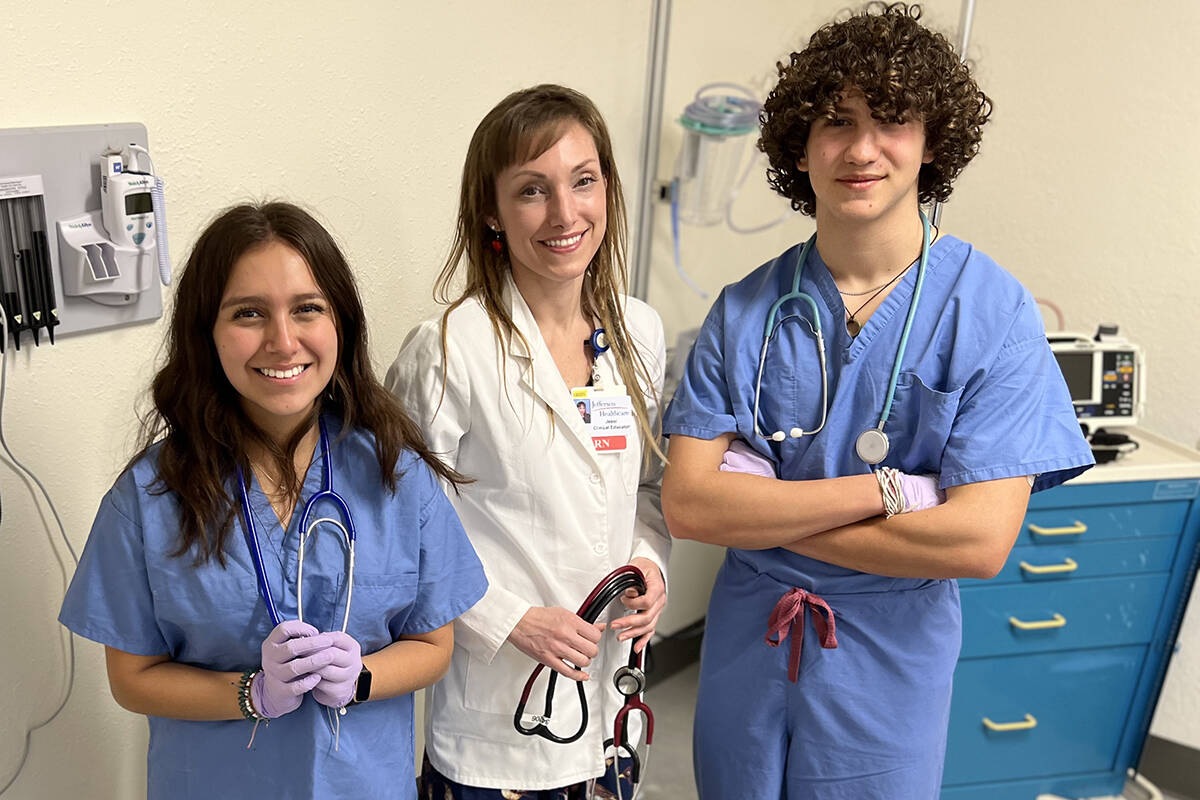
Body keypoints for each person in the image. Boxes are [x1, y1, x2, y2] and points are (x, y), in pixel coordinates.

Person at [659, 5, 1095, 798]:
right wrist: (889, 493)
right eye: (836, 121)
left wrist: (768, 514)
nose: (862, 149)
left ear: (933, 141)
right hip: (746, 659)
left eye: (892, 120)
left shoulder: (989, 311)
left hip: (888, 668)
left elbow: (977, 543)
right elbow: (690, 506)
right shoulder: (745, 310)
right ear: (801, 143)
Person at [58, 202, 487, 799]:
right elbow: (132, 679)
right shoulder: (152, 494)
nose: (283, 342)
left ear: (341, 324)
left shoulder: (395, 475)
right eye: (249, 313)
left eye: (307, 309)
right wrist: (249, 692)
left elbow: (433, 647)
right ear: (207, 333)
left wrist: (361, 676)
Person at [386, 84, 670, 799]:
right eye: (532, 191)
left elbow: (645, 491)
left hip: (611, 706)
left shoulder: (638, 331)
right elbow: (397, 523)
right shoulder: (450, 349)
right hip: (499, 720)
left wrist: (649, 563)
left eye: (583, 181)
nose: (565, 213)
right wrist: (508, 619)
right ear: (492, 211)